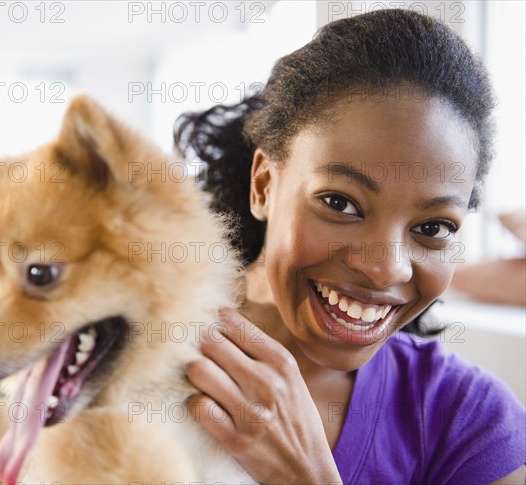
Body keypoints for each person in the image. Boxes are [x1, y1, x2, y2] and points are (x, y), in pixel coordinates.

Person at [175, 9, 526, 485]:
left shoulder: (467, 419)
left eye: (434, 228)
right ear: (263, 185)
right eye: (340, 202)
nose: (386, 270)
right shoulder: (133, 347)